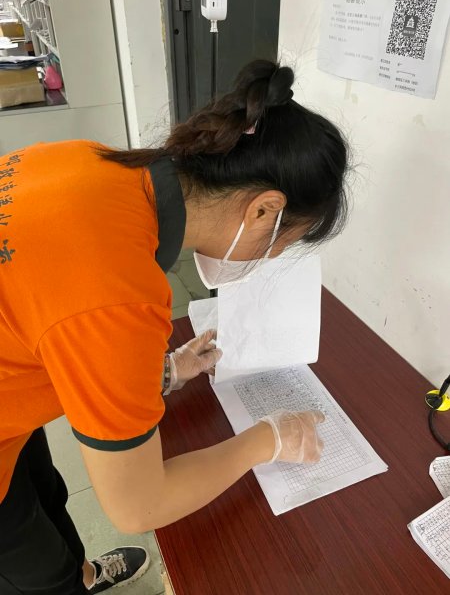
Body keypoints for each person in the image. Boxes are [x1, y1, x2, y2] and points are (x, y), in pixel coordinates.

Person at [0, 59, 348, 594]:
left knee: (46, 498)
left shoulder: (93, 161)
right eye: (283, 242)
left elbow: (46, 316)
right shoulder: (119, 291)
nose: (272, 256)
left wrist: (154, 372)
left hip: (12, 410)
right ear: (263, 210)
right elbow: (138, 506)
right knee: (35, 572)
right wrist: (266, 439)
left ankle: (82, 573)